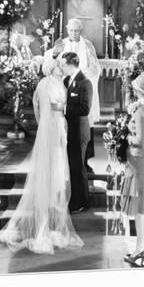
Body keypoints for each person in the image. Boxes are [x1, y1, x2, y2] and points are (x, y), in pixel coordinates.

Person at [0, 58, 83, 254]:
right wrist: (63, 110)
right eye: (58, 65)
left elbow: (35, 103)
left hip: (50, 127)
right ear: (53, 69)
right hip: (53, 128)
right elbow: (53, 104)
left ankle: (48, 220)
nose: (61, 67)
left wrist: (41, 120)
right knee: (52, 170)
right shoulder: (51, 83)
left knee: (52, 171)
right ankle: (44, 227)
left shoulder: (46, 83)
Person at [48, 18, 101, 172]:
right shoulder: (61, 44)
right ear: (67, 29)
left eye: (76, 30)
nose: (73, 33)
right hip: (66, 88)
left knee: (84, 125)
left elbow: (95, 67)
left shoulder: (88, 45)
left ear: (80, 31)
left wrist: (81, 77)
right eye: (70, 30)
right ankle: (67, 162)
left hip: (82, 87)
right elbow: (53, 65)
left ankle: (84, 162)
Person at [120, 73, 144, 267]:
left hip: (139, 164)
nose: (133, 90)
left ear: (139, 89)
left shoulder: (140, 111)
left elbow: (140, 140)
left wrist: (127, 138)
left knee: (139, 210)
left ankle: (138, 249)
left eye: (135, 87)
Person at [55, 52, 92, 214]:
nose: (61, 67)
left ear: (71, 64)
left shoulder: (85, 82)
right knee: (72, 166)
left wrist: (63, 108)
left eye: (63, 64)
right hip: (69, 131)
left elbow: (85, 109)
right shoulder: (66, 80)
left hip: (79, 131)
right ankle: (74, 199)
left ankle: (82, 202)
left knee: (79, 167)